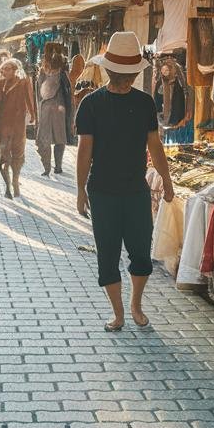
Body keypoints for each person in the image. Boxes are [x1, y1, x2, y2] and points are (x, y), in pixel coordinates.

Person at [75, 31, 174, 332]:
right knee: (107, 254)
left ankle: (136, 305)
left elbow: (155, 146)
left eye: (129, 73)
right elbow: (84, 150)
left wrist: (167, 181)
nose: (125, 79)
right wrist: (79, 190)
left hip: (135, 190)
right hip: (102, 190)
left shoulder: (144, 103)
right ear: (109, 71)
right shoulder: (91, 103)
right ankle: (117, 313)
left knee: (141, 253)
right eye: (121, 73)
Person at [0, 58, 35, 198]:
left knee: (18, 155)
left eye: (7, 69)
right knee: (4, 156)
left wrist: (33, 116)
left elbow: (29, 100)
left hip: (18, 125)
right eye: (2, 69)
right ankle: (7, 186)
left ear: (15, 69)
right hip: (3, 125)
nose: (4, 71)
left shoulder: (24, 82)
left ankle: (15, 180)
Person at [35, 48, 74, 176]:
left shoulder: (44, 73)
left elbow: (38, 94)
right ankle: (56, 166)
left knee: (48, 139)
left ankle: (49, 167)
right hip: (58, 109)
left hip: (49, 109)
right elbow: (69, 93)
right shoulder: (62, 73)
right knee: (59, 138)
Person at [153, 58, 191, 144]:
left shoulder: (179, 81)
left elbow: (185, 94)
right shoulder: (161, 82)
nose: (165, 71)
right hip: (170, 119)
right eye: (164, 70)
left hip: (177, 118)